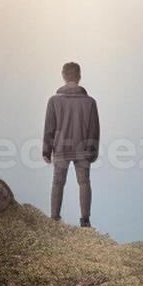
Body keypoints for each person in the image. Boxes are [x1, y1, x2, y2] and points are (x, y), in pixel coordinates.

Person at [43, 60, 100, 226]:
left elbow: (49, 127)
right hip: (83, 150)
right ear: (79, 77)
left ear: (63, 76)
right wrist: (92, 152)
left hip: (61, 148)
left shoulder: (53, 101)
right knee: (84, 183)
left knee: (57, 183)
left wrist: (46, 151)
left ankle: (54, 218)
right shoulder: (90, 102)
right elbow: (94, 130)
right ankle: (85, 221)